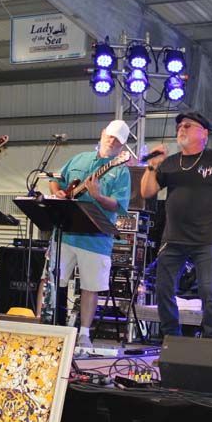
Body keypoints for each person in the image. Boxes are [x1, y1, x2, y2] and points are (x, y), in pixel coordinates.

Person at [140, 111, 212, 339]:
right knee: (163, 289)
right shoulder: (169, 163)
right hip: (173, 238)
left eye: (188, 125)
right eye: (179, 126)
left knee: (209, 290)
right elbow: (146, 192)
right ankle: (171, 338)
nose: (181, 129)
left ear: (204, 133)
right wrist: (151, 167)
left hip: (204, 240)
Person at [44, 120, 131, 350]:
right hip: (65, 232)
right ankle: (46, 326)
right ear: (102, 134)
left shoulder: (121, 170)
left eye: (117, 141)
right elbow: (56, 180)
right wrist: (58, 193)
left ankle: (84, 334)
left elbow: (119, 205)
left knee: (90, 287)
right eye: (110, 136)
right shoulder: (79, 158)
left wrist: (99, 196)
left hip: (96, 238)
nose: (111, 142)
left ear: (122, 149)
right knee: (51, 281)